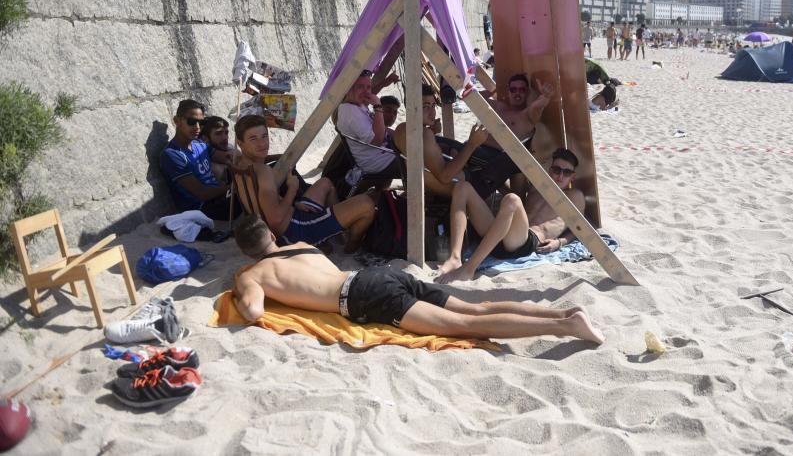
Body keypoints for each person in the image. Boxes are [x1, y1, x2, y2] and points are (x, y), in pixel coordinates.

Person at [232, 216, 603, 343]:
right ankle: (561, 314)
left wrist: (240, 285)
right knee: (477, 307)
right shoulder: (298, 244)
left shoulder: (255, 272)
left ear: (249, 251)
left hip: (362, 296)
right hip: (377, 275)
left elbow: (252, 311)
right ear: (271, 234)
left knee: (461, 327)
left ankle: (566, 327)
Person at [437, 149, 586, 284]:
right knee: (462, 187)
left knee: (512, 200)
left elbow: (583, 228)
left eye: (566, 173)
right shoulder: (537, 187)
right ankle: (454, 257)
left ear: (572, 176)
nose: (560, 176)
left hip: (525, 241)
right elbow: (515, 194)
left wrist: (560, 242)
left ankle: (469, 268)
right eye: (556, 169)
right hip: (499, 235)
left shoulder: (574, 196)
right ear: (549, 169)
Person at [232, 114, 376, 251]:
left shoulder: (239, 165)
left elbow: (262, 204)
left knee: (325, 182)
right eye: (253, 139)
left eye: (264, 136)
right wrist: (292, 189)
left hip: (286, 224)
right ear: (240, 143)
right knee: (367, 204)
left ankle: (336, 232)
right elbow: (275, 219)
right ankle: (350, 247)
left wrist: (294, 204)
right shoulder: (263, 171)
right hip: (297, 231)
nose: (262, 143)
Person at [393, 84, 490, 197]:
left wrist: (432, 132)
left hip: (426, 187)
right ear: (411, 107)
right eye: (426, 106)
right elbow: (445, 177)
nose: (432, 112)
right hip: (456, 187)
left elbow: (420, 154)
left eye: (433, 105)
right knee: (505, 163)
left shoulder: (401, 129)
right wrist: (472, 144)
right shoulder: (424, 134)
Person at [159, 99, 234, 220]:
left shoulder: (199, 144)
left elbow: (229, 158)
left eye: (201, 122)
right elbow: (202, 193)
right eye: (192, 122)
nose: (197, 127)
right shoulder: (171, 155)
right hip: (203, 208)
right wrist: (233, 187)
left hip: (220, 196)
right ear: (177, 121)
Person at [336, 71, 401, 181]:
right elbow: (377, 141)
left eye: (368, 87)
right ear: (348, 87)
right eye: (360, 86)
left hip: (385, 155)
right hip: (379, 163)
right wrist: (378, 107)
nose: (366, 92)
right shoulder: (350, 113)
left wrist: (385, 82)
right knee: (420, 160)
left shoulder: (356, 105)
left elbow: (367, 95)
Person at [201, 116, 234, 184]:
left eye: (226, 132)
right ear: (205, 138)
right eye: (218, 133)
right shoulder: (204, 164)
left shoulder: (231, 148)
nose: (225, 137)